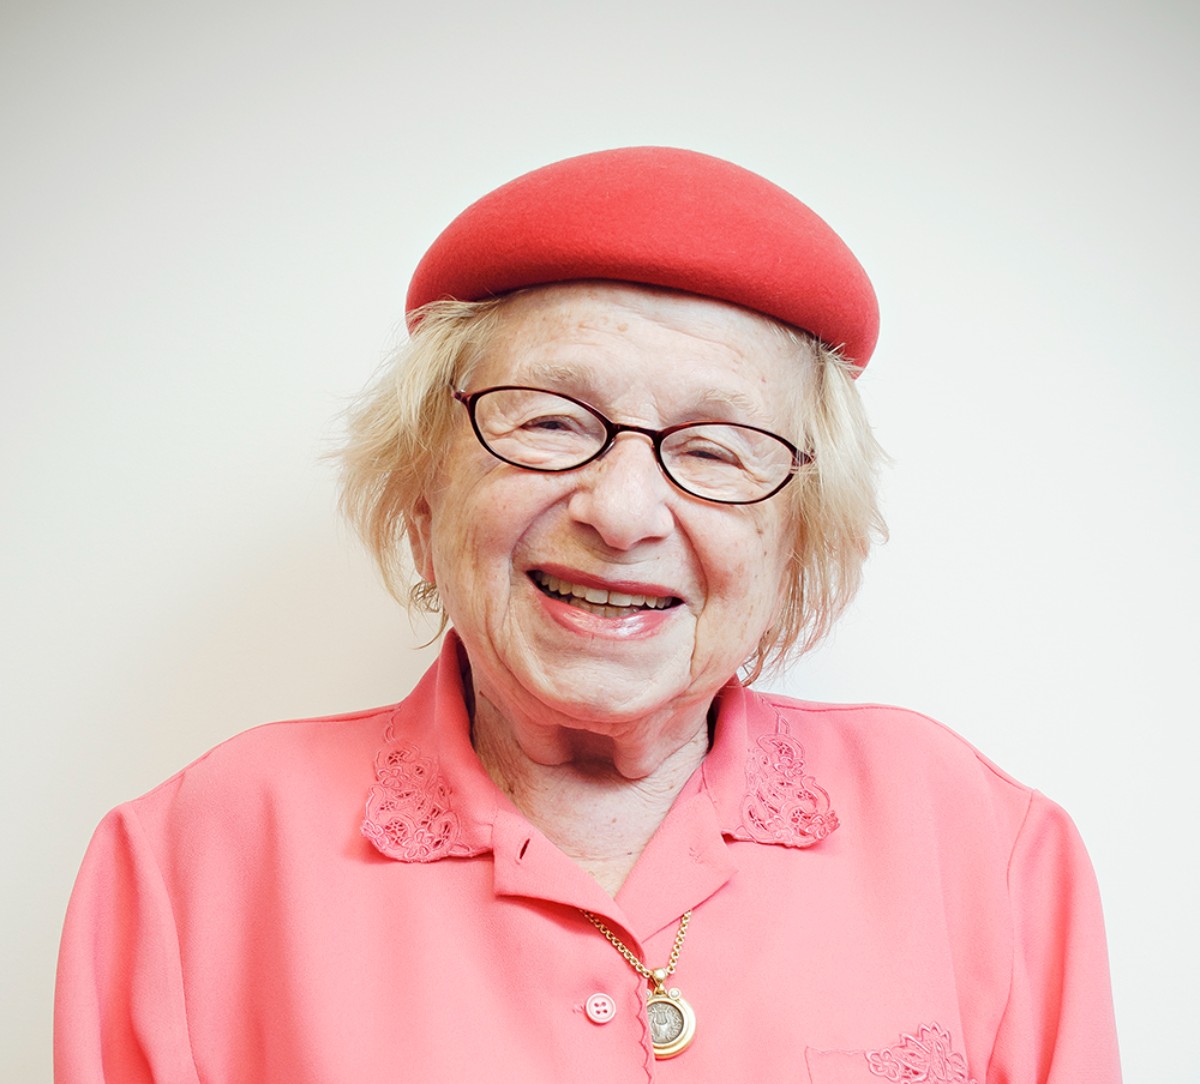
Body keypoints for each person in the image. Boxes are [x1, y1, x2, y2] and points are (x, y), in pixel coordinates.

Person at [54, 147, 1121, 1082]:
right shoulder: (190, 858)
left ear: (796, 543)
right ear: (425, 499)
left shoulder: (984, 844)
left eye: (714, 448)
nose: (618, 511)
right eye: (552, 422)